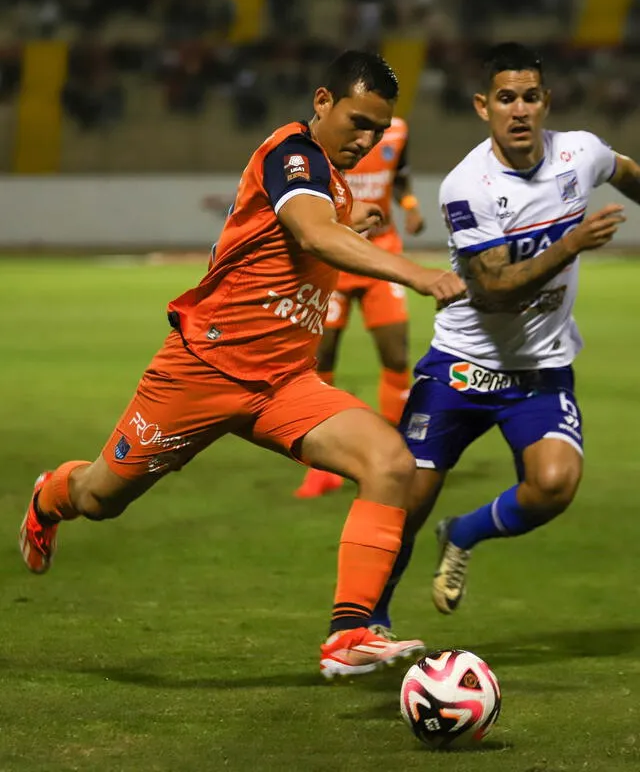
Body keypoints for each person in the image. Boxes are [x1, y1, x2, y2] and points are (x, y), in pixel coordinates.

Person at [19, 50, 466, 679]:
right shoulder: (294, 155)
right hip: (203, 370)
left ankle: (349, 633)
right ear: (322, 102)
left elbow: (304, 239)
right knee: (101, 498)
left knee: (389, 462)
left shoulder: (329, 182)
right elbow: (310, 235)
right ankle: (49, 497)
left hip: (284, 384)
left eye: (377, 130)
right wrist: (414, 272)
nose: (365, 140)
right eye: (357, 122)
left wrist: (349, 220)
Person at [369, 41, 640, 634]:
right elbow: (492, 290)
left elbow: (626, 172)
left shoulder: (581, 153)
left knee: (553, 485)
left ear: (547, 103)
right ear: (482, 106)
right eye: (506, 99)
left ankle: (463, 532)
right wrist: (568, 243)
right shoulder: (467, 186)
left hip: (540, 368)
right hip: (463, 366)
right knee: (405, 502)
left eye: (531, 97)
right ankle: (369, 622)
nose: (519, 110)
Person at [294, 116, 426, 499]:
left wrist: (410, 204)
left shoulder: (398, 130)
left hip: (380, 251)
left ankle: (400, 454)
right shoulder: (321, 134)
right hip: (333, 253)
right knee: (321, 358)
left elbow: (399, 173)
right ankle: (323, 468)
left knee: (396, 354)